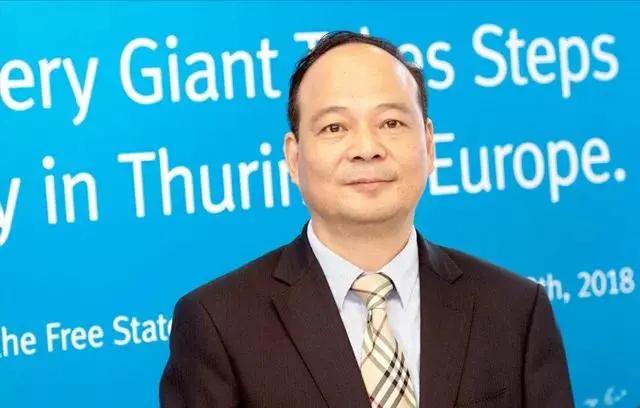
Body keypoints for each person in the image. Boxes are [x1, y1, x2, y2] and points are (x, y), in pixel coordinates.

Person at [159, 30, 575, 408]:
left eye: (391, 122)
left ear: (429, 145)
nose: (366, 148)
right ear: (294, 157)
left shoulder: (515, 310)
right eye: (334, 127)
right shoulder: (218, 323)